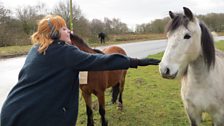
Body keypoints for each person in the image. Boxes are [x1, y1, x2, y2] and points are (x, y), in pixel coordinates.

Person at [0, 15, 160, 126]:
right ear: (54, 34)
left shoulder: (35, 50)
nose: (69, 31)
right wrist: (137, 61)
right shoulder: (64, 52)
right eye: (64, 29)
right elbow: (100, 60)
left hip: (11, 111)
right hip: (37, 118)